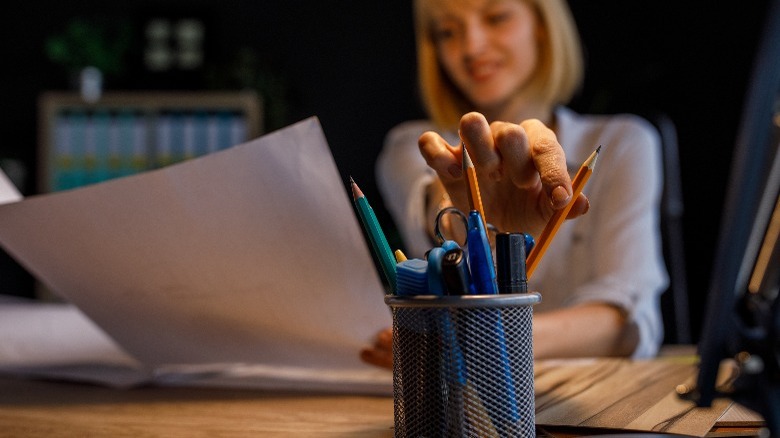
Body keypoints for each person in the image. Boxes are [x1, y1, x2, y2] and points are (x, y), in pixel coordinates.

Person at [360, 0, 668, 368]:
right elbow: (431, 206)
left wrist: (476, 341)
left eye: (496, 17)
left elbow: (627, 321)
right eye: (447, 31)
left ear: (541, 24)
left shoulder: (622, 143)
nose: (471, 47)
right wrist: (465, 212)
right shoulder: (410, 145)